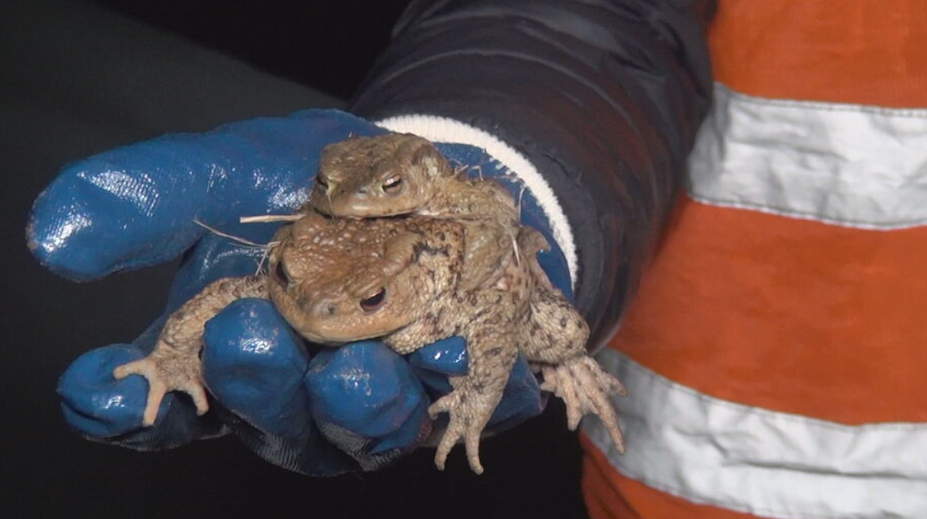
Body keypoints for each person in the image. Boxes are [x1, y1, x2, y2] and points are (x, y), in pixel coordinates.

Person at [27, 0, 927, 517]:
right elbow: (238, 283)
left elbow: (495, 299)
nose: (321, 318)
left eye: (357, 301)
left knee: (556, 332)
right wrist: (508, 134)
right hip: (682, 489)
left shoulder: (445, 246)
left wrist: (486, 382)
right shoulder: (321, 261)